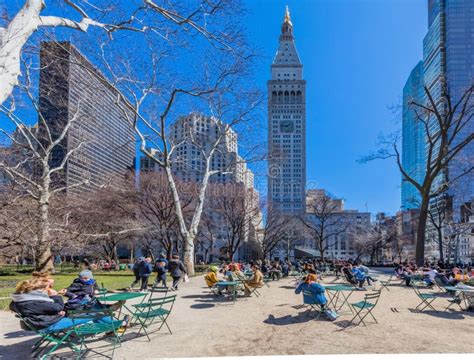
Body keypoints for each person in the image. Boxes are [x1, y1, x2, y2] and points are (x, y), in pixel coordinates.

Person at [10, 277, 122, 334]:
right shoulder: (32, 301)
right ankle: (118, 326)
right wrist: (55, 296)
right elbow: (58, 307)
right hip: (49, 326)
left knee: (92, 312)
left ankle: (112, 326)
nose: (45, 291)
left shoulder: (20, 300)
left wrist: (56, 312)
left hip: (44, 323)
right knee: (94, 314)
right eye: (44, 289)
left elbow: (43, 310)